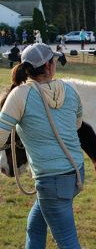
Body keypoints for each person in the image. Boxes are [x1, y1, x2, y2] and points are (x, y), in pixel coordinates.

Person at [0, 43, 84, 249]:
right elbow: (77, 124)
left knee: (67, 241)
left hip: (51, 181)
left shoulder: (20, 95)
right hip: (76, 173)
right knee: (35, 227)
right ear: (49, 65)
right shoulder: (70, 90)